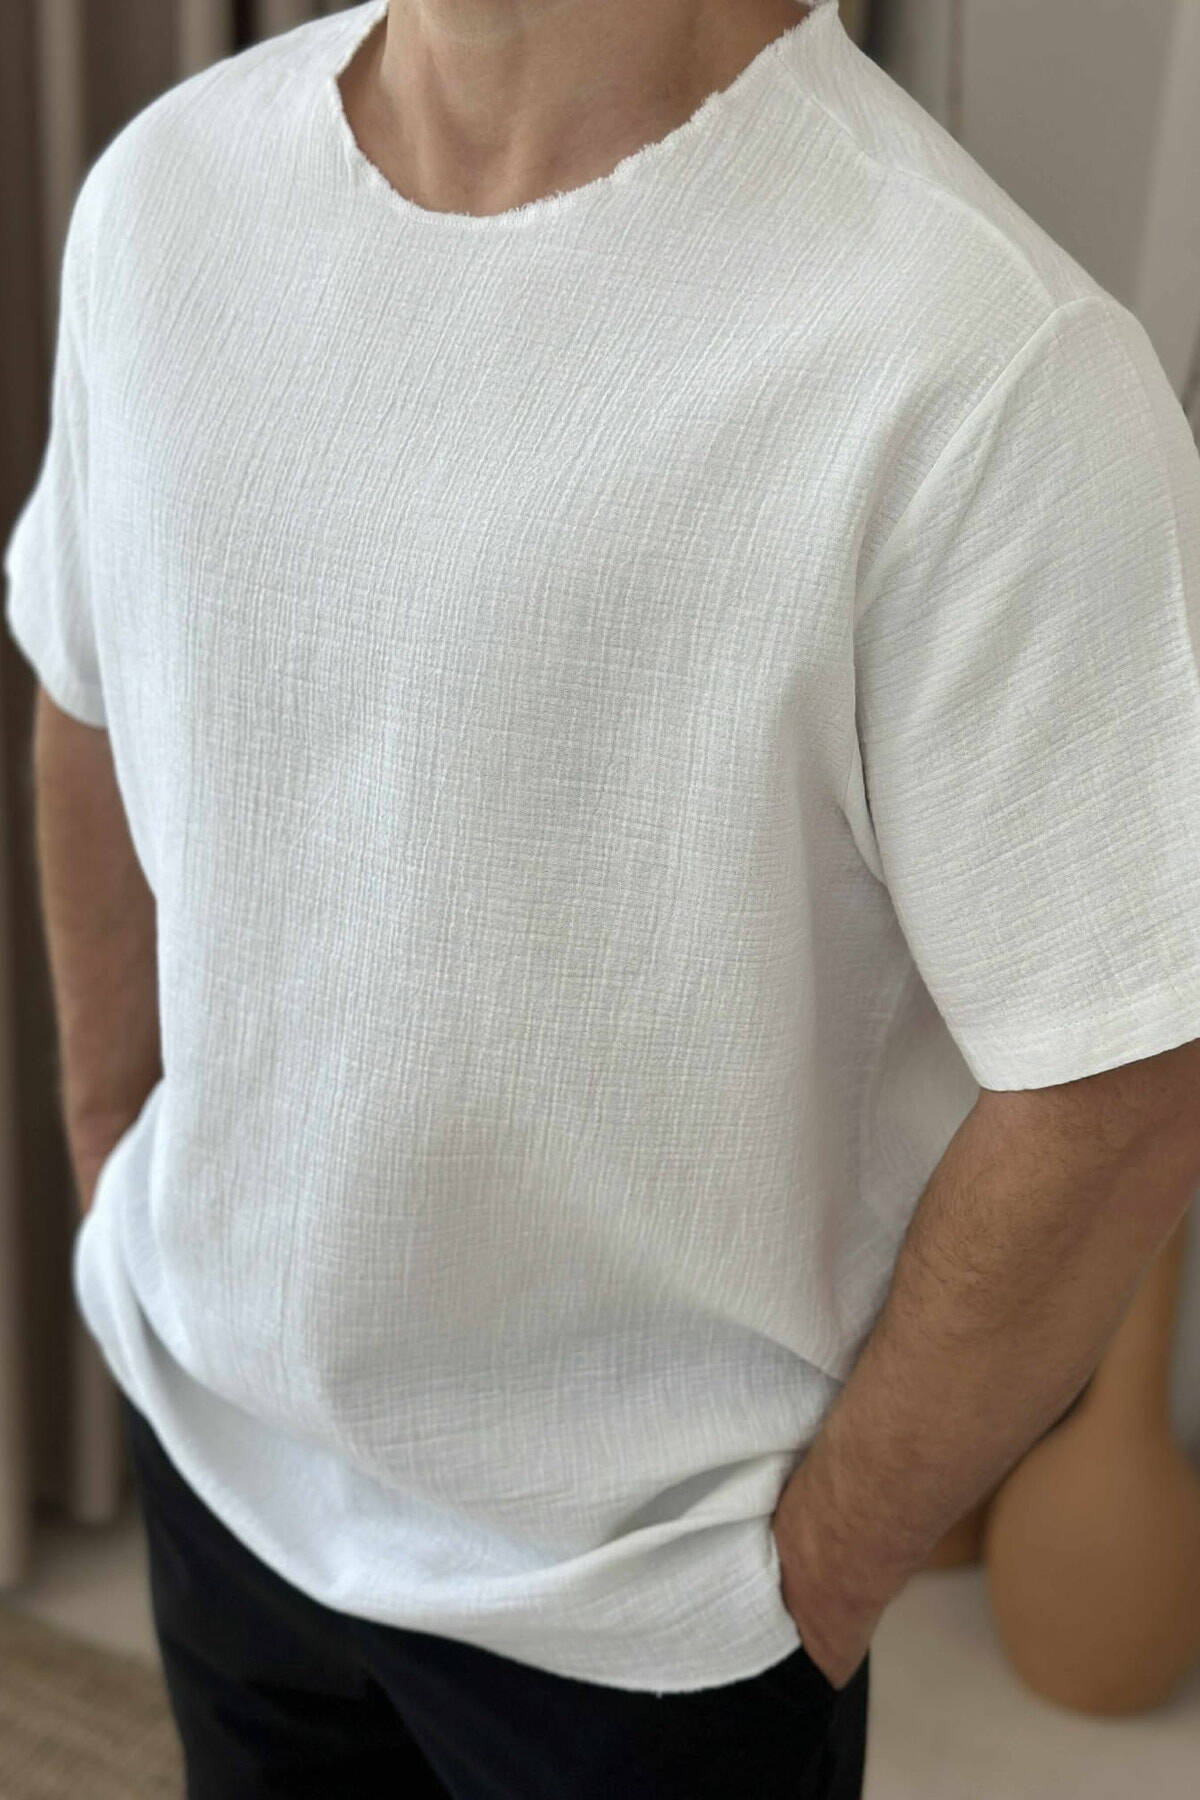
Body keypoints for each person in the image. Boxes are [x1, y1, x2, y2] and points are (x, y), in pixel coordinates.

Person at [9, 1, 1200, 1794]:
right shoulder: (165, 194)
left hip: (653, 1609)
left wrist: (824, 1562)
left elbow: (1120, 1072)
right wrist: (119, 1158)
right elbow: (86, 680)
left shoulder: (981, 361)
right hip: (221, 1456)